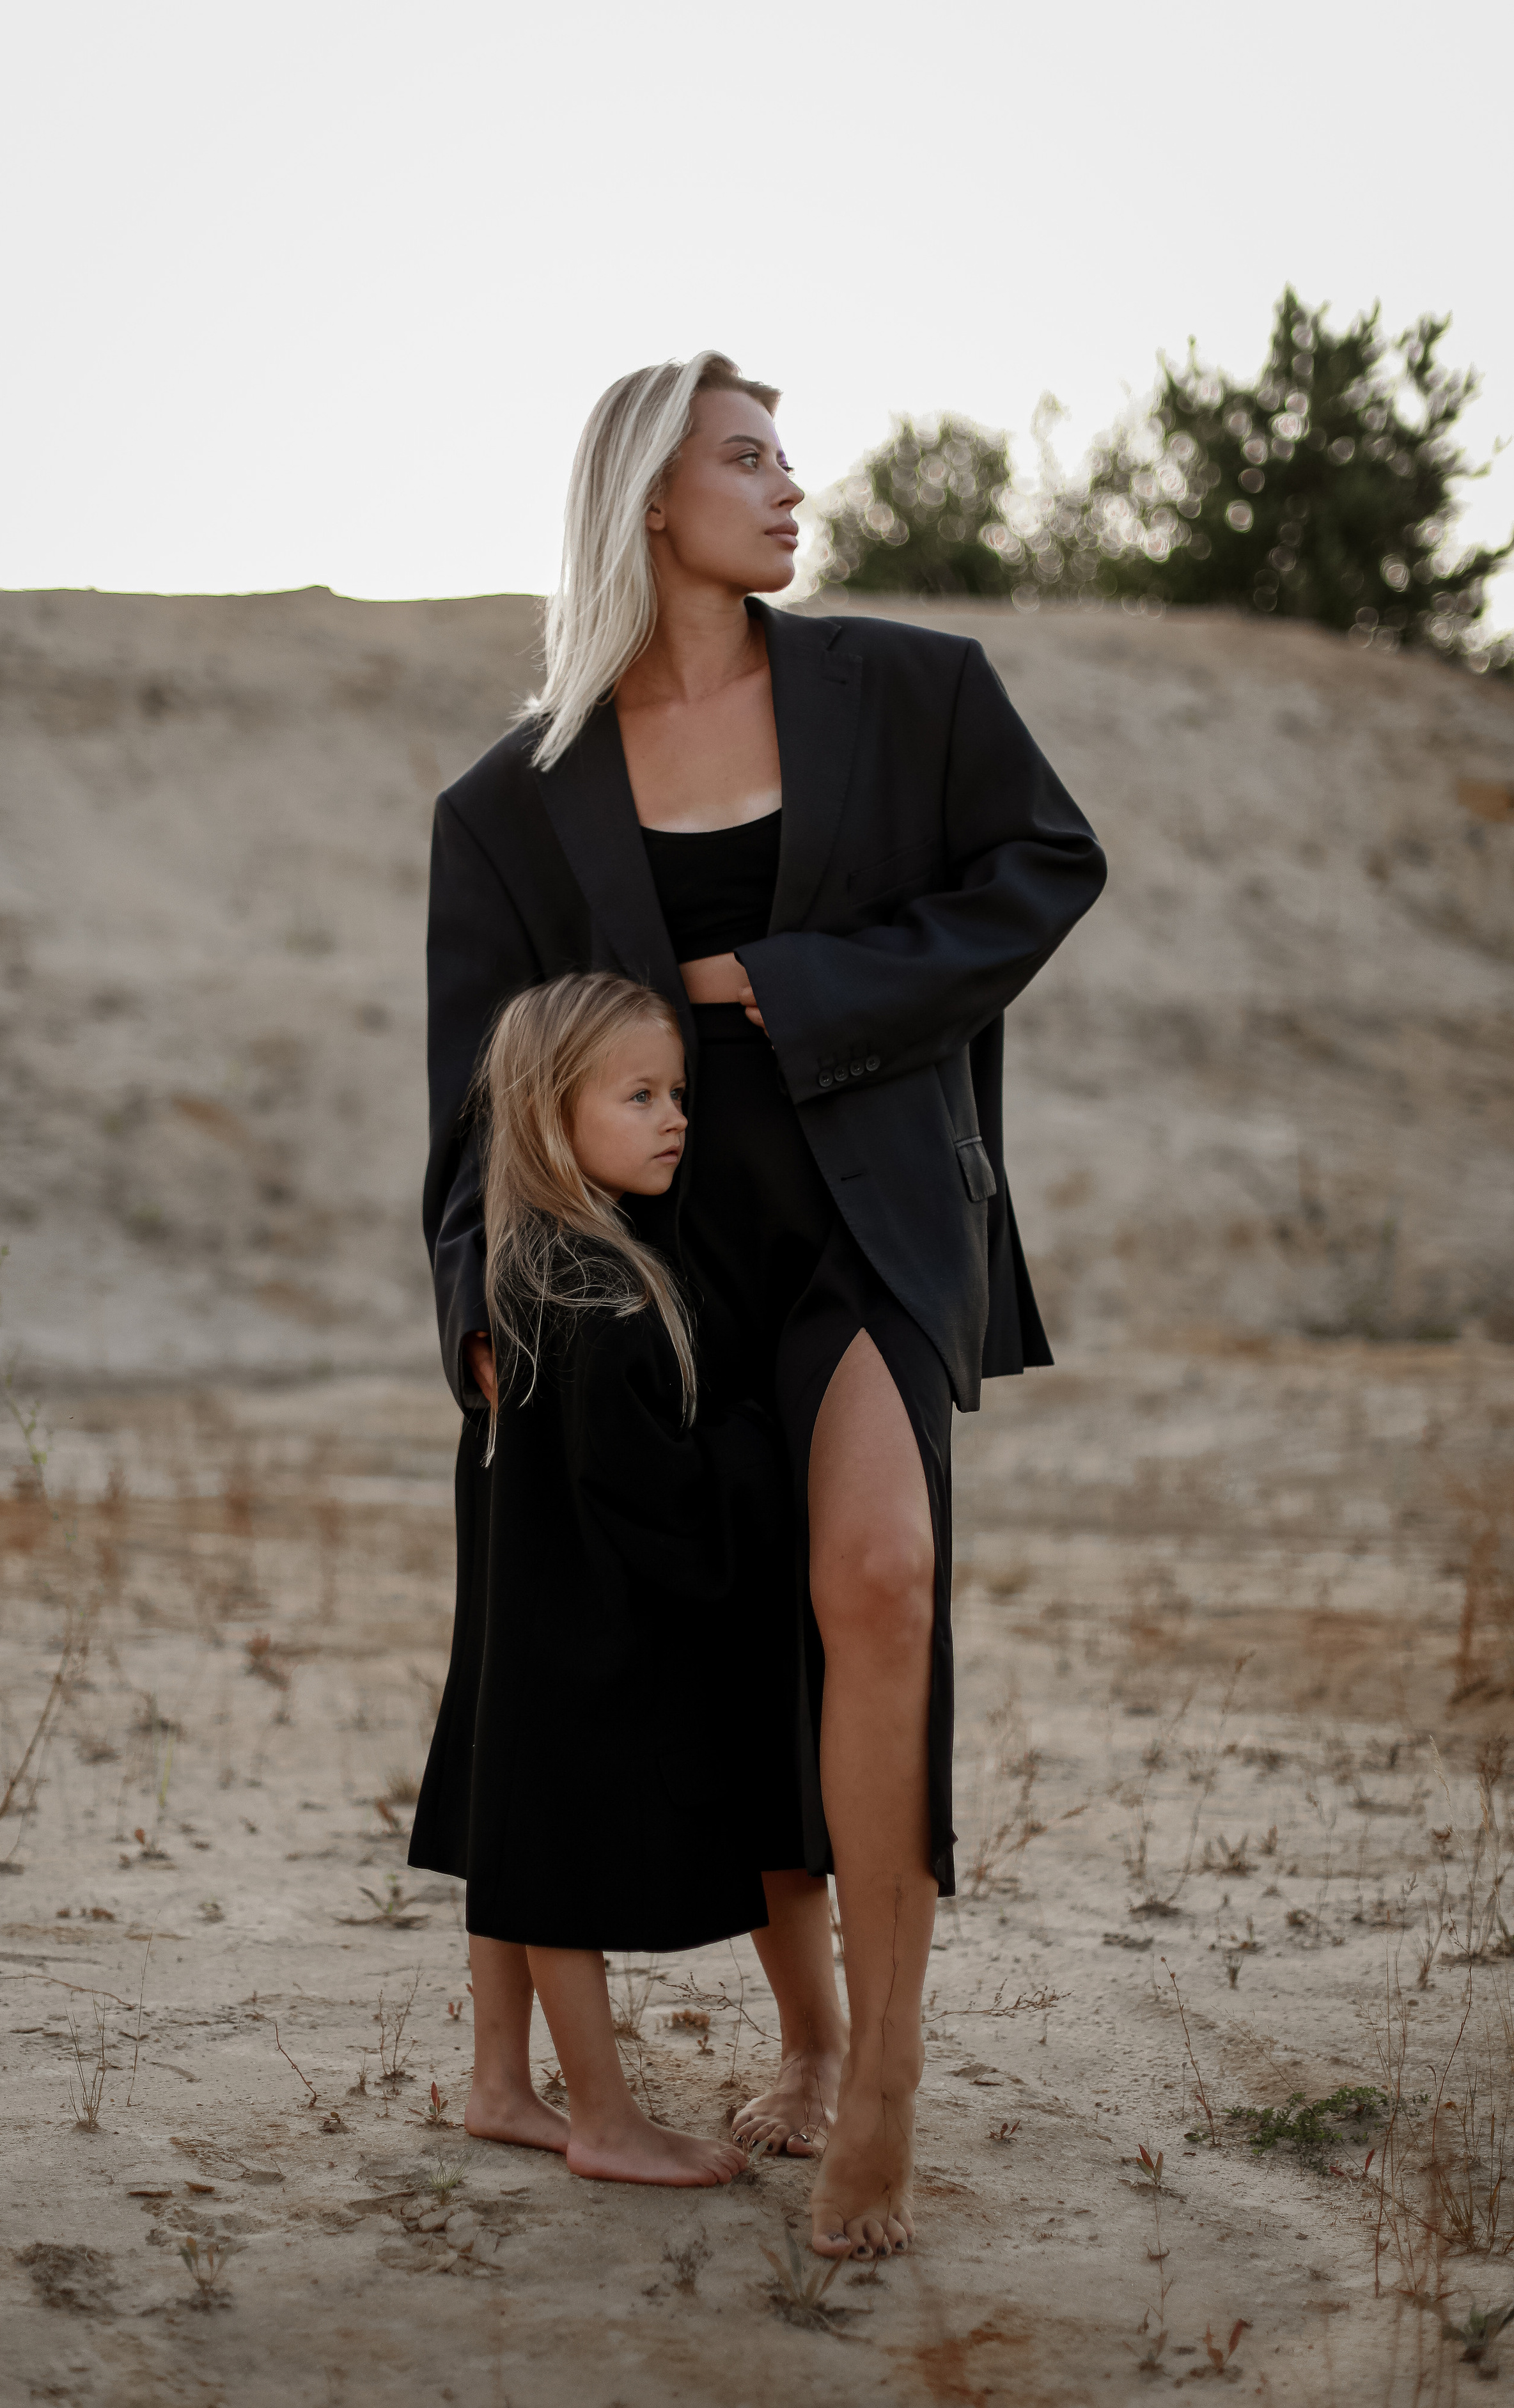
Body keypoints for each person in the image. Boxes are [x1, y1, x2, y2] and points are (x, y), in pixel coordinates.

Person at [416, 352, 1107, 2258]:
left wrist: (794, 984)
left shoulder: (916, 693)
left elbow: (1048, 871)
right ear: (652, 498)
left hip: (868, 1234)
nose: (790, 489)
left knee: (878, 1582)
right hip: (642, 1285)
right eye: (748, 459)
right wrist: (485, 1305)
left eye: (789, 460)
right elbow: (474, 1103)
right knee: (723, 1657)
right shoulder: (511, 801)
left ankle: (880, 2073)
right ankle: (800, 2038)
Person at [411, 969, 790, 2187]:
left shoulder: (519, 1278)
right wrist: (755, 1444)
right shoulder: (602, 1298)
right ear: (545, 1112)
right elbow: (655, 1504)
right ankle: (605, 2120)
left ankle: (498, 2085)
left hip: (520, 1631)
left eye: (677, 1091)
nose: (677, 1116)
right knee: (557, 1865)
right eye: (639, 1095)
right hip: (580, 1642)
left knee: (510, 1835)